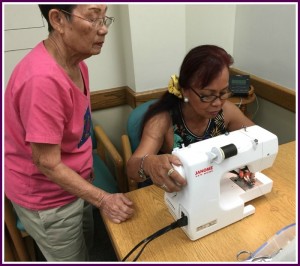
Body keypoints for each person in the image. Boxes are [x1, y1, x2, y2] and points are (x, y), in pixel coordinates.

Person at [5, 4, 134, 261]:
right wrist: (103, 198)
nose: (104, 28)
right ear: (58, 20)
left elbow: (75, 132)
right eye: (93, 17)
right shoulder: (42, 80)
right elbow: (47, 162)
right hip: (48, 196)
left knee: (86, 249)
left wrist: (86, 170)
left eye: (104, 17)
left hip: (76, 183)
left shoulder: (78, 64)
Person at [126, 45, 255, 192]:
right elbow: (132, 169)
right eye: (207, 95)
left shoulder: (226, 111)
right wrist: (147, 164)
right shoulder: (162, 120)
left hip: (214, 186)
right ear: (185, 90)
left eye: (224, 92)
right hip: (180, 191)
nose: (218, 103)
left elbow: (258, 137)